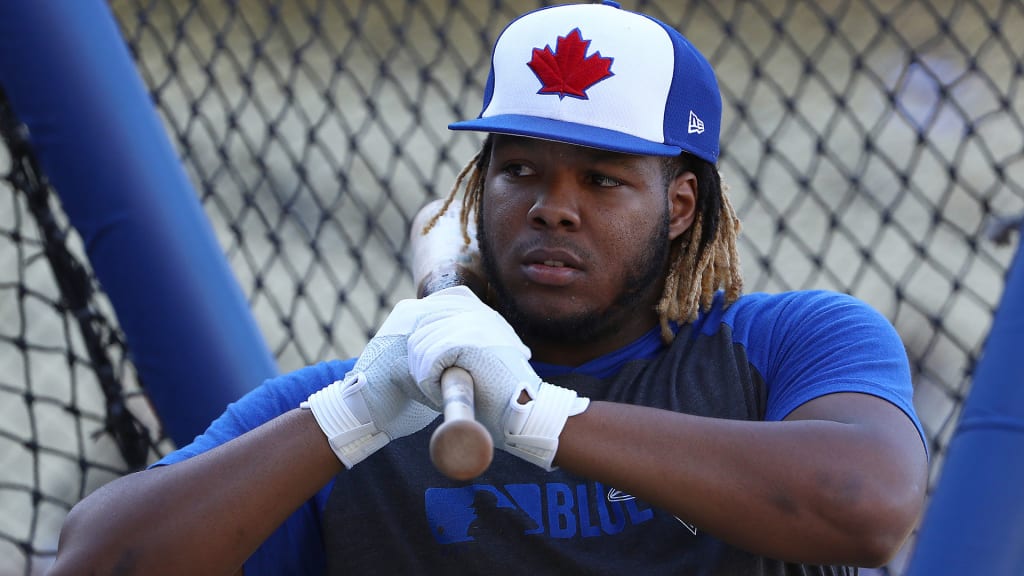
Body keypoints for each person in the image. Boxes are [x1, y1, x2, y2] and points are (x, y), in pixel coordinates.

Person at [49, 2, 928, 575]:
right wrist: (351, 415)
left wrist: (538, 417)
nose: (554, 208)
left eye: (603, 180)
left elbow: (866, 507)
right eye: (520, 170)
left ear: (680, 205)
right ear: (482, 189)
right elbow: (98, 561)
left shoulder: (789, 347)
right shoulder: (369, 397)